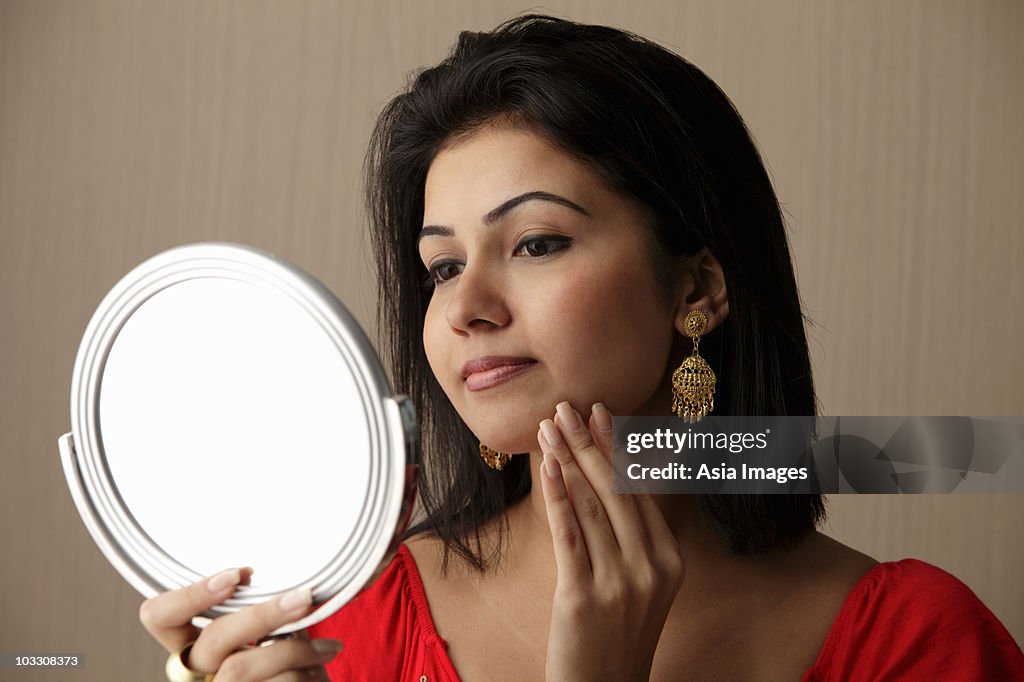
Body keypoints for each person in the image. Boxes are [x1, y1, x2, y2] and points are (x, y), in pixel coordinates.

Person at [142, 14, 1024, 681]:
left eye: (535, 243)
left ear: (696, 290)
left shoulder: (915, 640)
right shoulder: (351, 625)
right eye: (442, 266)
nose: (467, 309)